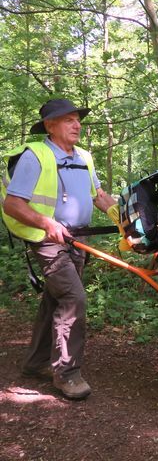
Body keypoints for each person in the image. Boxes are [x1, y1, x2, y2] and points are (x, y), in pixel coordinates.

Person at [2, 98, 116, 400]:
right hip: (47, 241)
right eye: (68, 120)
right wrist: (45, 223)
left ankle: (36, 363)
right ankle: (67, 373)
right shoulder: (35, 156)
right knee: (73, 297)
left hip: (78, 240)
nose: (77, 124)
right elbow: (12, 204)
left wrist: (126, 219)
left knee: (55, 299)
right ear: (50, 126)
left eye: (77, 119)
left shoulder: (85, 157)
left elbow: (99, 196)